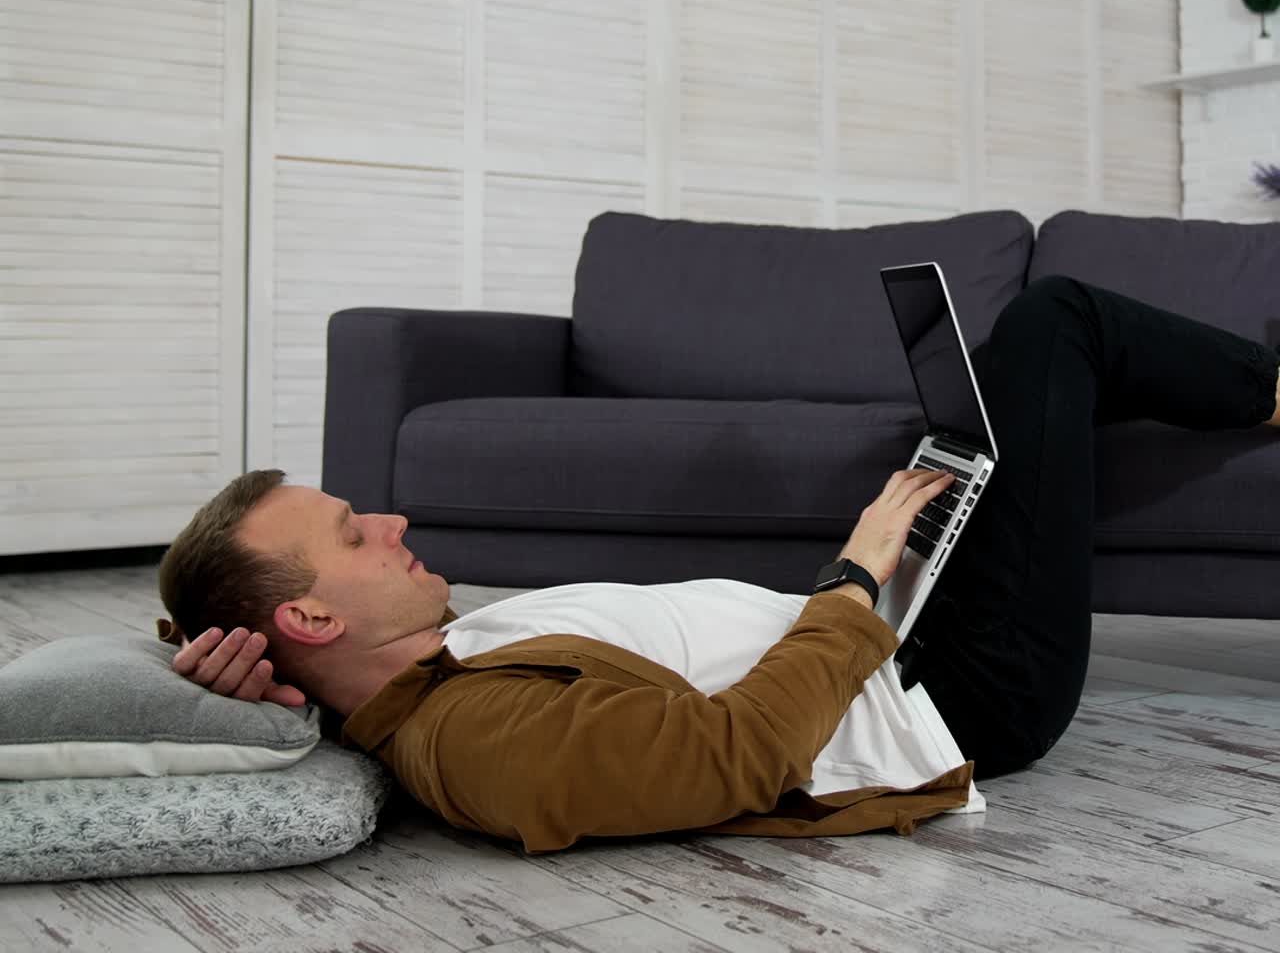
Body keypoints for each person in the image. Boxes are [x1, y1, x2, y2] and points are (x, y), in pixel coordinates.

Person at [156, 276, 1280, 853]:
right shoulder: (471, 741)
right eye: (355, 534)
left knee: (1007, 386)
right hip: (962, 697)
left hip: (888, 640)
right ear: (308, 617)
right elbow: (734, 756)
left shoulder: (417, 673)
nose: (391, 519)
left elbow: (216, 652)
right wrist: (852, 576)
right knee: (1054, 321)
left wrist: (250, 694)